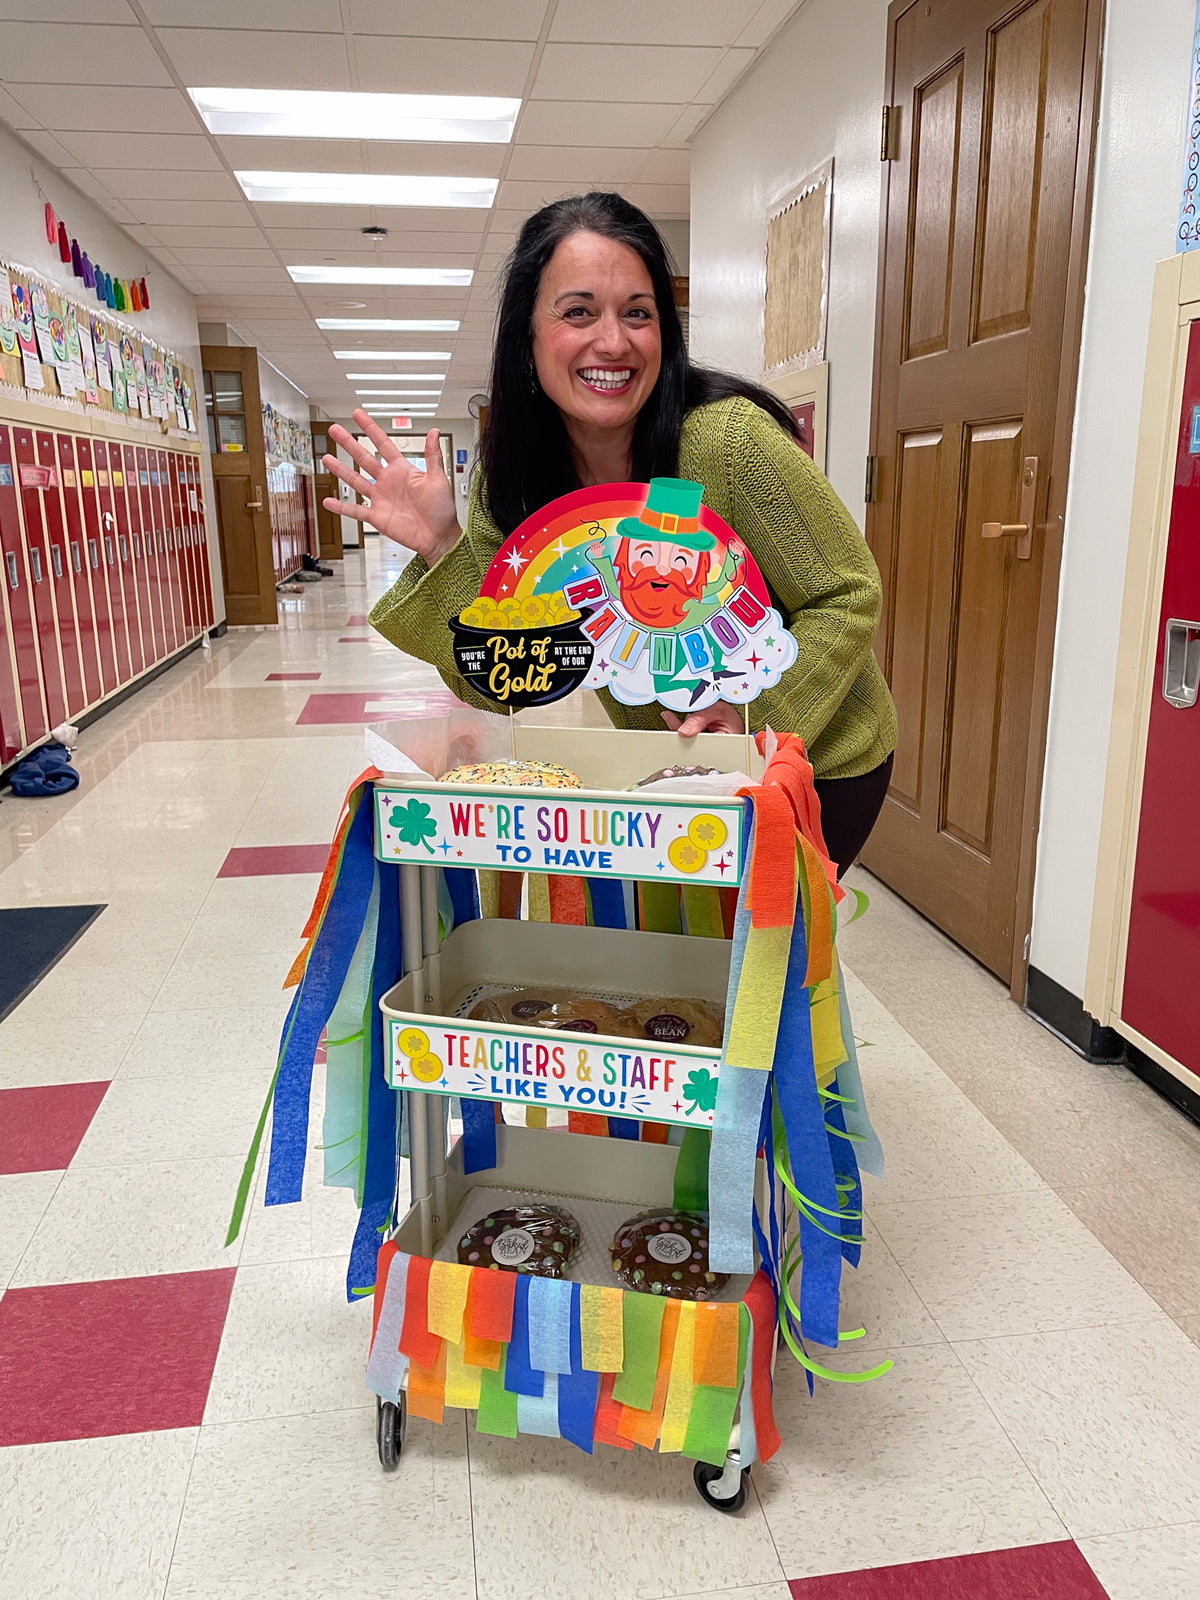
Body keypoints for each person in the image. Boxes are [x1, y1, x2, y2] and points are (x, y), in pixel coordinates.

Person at [322, 192, 897, 875]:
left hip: (818, 757)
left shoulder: (726, 442)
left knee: (760, 965)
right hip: (673, 766)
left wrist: (754, 717)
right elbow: (502, 685)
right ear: (526, 336)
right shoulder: (517, 486)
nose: (614, 342)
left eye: (638, 314)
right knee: (690, 956)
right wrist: (444, 546)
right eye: (578, 312)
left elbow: (847, 591)